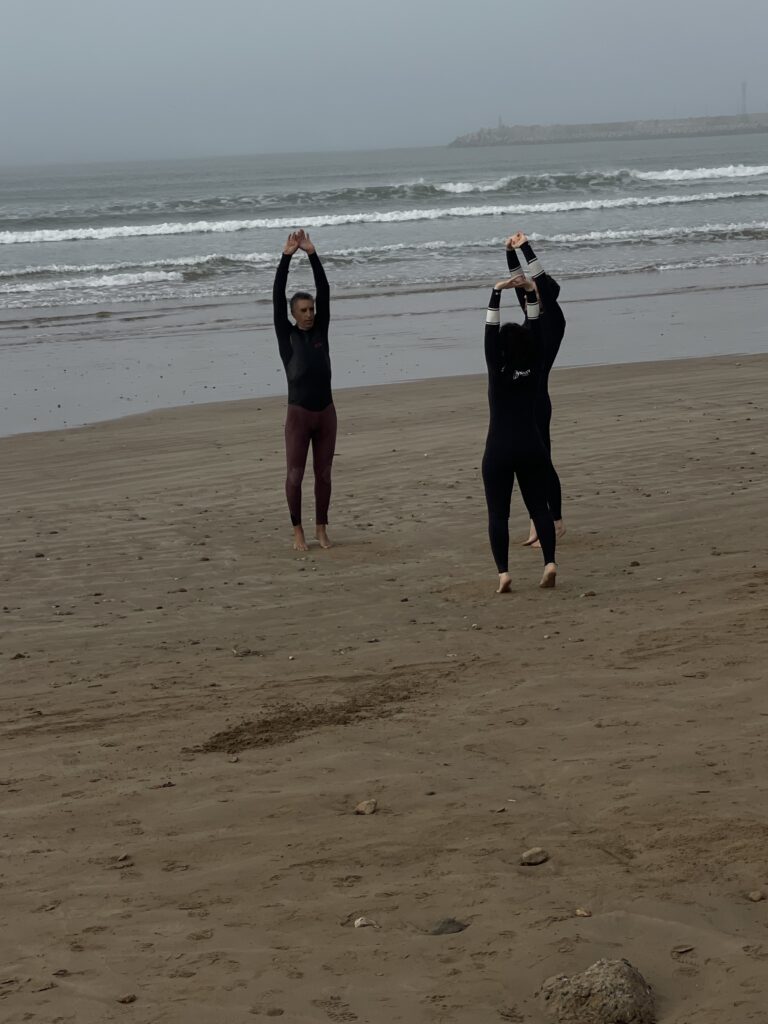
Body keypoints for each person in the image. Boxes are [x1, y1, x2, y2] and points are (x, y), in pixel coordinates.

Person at [482, 271, 558, 592]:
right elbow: (537, 328)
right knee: (539, 507)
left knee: (498, 514)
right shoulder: (535, 365)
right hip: (531, 445)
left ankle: (504, 574)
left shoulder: (497, 368)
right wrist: (529, 292)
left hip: (499, 448)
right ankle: (550, 563)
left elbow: (490, 331)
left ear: (501, 350)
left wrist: (497, 292)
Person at [272, 229, 336, 551]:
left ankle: (321, 528)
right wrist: (286, 257)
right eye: (303, 310)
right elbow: (277, 295)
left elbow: (324, 289)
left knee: (323, 474)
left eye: (311, 309)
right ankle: (297, 530)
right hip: (298, 416)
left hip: (326, 414)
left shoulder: (321, 329)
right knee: (295, 476)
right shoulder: (287, 336)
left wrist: (312, 254)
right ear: (293, 314)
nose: (309, 314)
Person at [505, 232, 566, 546]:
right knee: (528, 463)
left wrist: (526, 247)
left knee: (542, 461)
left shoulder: (553, 319)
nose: (531, 293)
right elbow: (521, 283)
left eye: (537, 291)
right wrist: (509, 252)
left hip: (539, 400)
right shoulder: (531, 315)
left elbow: (538, 279)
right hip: (523, 402)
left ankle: (554, 522)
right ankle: (539, 522)